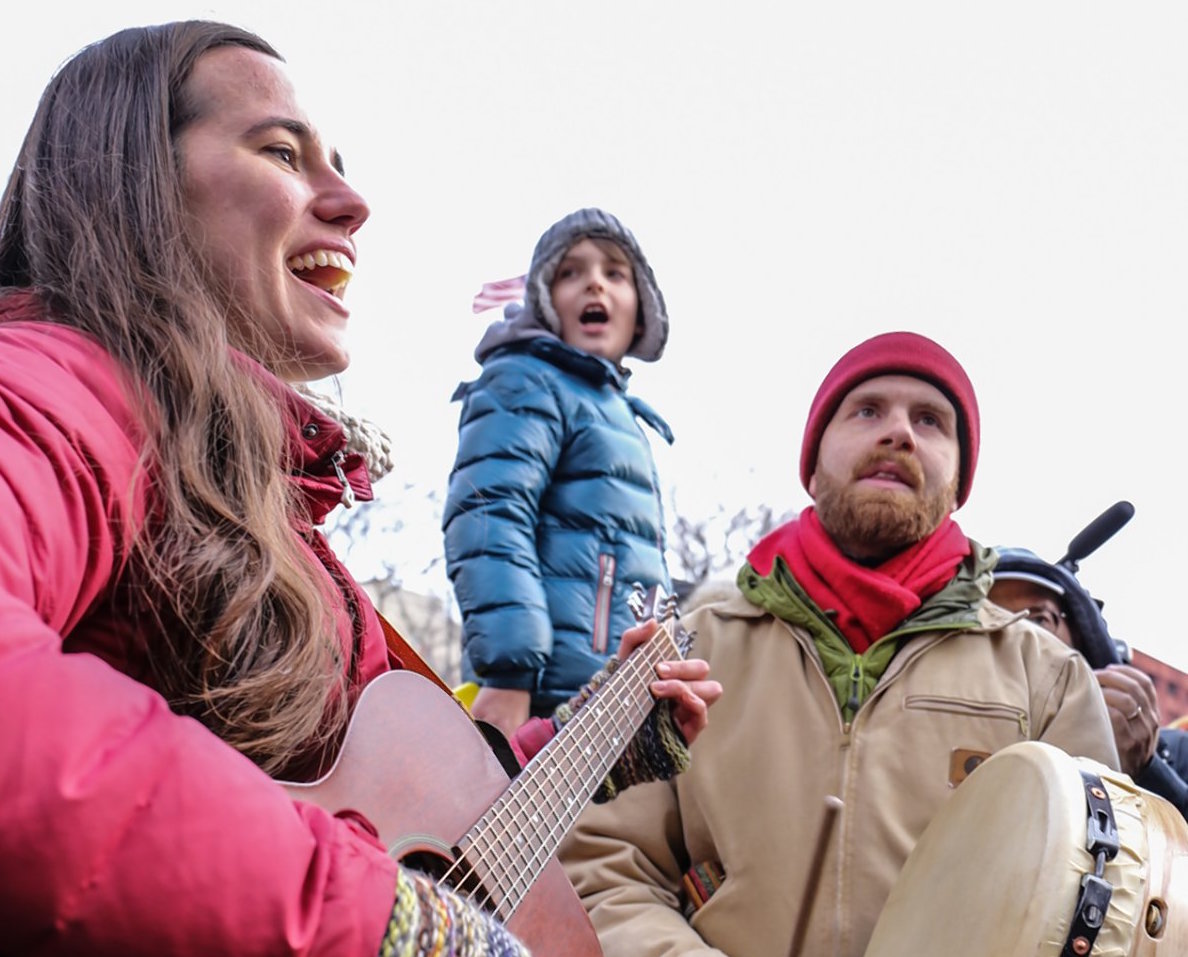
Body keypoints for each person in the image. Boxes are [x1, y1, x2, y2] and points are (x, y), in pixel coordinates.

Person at [0, 22, 720, 957]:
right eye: (280, 151)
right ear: (130, 180)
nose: (352, 202)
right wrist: (372, 915)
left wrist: (593, 743)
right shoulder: (53, 385)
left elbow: (425, 812)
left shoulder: (263, 508)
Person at [560, 331, 1119, 957]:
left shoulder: (1048, 680)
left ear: (959, 477)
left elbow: (1098, 919)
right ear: (813, 461)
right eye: (867, 410)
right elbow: (603, 863)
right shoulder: (692, 645)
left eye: (930, 421)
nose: (899, 433)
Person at [443, 207, 674, 740]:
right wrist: (509, 669)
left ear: (642, 309)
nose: (594, 280)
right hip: (538, 694)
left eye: (615, 273)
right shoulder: (527, 379)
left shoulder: (614, 410)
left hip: (603, 697)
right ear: (547, 302)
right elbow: (490, 514)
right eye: (571, 272)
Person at [990, 544, 1188, 817]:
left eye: (1039, 620)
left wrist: (1147, 769)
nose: (1018, 639)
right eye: (993, 624)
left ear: (1080, 636)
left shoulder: (1178, 750)